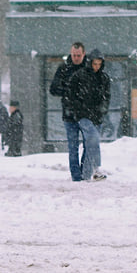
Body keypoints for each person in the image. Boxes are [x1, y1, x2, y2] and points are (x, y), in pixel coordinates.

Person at [67, 49, 111, 181]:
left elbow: (106, 97)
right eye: (94, 64)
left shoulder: (104, 78)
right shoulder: (79, 76)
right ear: (90, 62)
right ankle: (96, 168)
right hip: (83, 115)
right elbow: (71, 94)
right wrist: (78, 110)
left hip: (97, 116)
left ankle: (86, 176)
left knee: (91, 144)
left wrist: (102, 110)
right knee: (94, 139)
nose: (96, 67)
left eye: (99, 64)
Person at [48, 41, 87, 181]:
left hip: (86, 114)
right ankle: (76, 176)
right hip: (69, 114)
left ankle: (85, 171)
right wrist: (68, 92)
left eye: (78, 55)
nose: (76, 57)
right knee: (73, 147)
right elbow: (53, 89)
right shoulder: (63, 69)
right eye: (73, 55)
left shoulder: (89, 69)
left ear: (83, 54)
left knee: (89, 145)